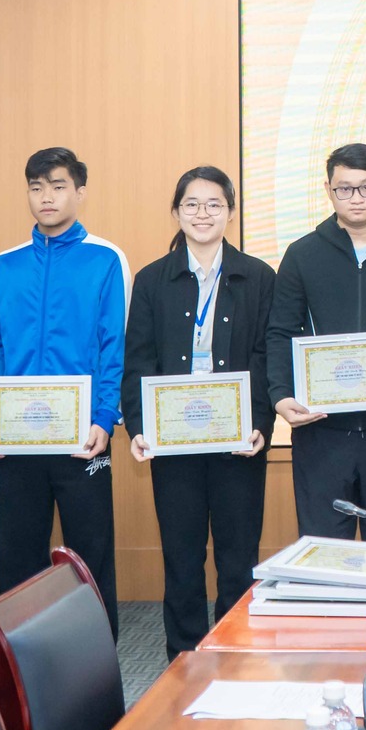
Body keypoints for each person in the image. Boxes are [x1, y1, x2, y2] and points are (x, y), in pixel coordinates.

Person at [0, 147, 129, 637]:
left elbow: (114, 344)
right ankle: (23, 654)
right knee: (16, 555)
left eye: (58, 186)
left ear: (79, 192)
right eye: (36, 188)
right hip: (15, 437)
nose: (46, 197)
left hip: (83, 436)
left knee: (89, 553)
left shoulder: (105, 259)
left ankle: (96, 653)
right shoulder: (4, 266)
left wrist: (104, 417)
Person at [125, 166, 277, 659]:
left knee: (238, 559)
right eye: (191, 204)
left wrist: (260, 424)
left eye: (214, 204)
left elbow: (266, 356)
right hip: (174, 442)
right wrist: (140, 427)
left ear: (230, 212)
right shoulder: (153, 279)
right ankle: (184, 659)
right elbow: (139, 360)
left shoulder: (258, 276)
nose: (203, 213)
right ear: (176, 212)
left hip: (238, 441)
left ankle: (236, 655)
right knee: (182, 557)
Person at [267, 143, 366, 542]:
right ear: (328, 190)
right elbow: (281, 330)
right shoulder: (302, 254)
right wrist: (281, 395)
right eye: (344, 188)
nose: (356, 198)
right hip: (322, 431)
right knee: (323, 550)